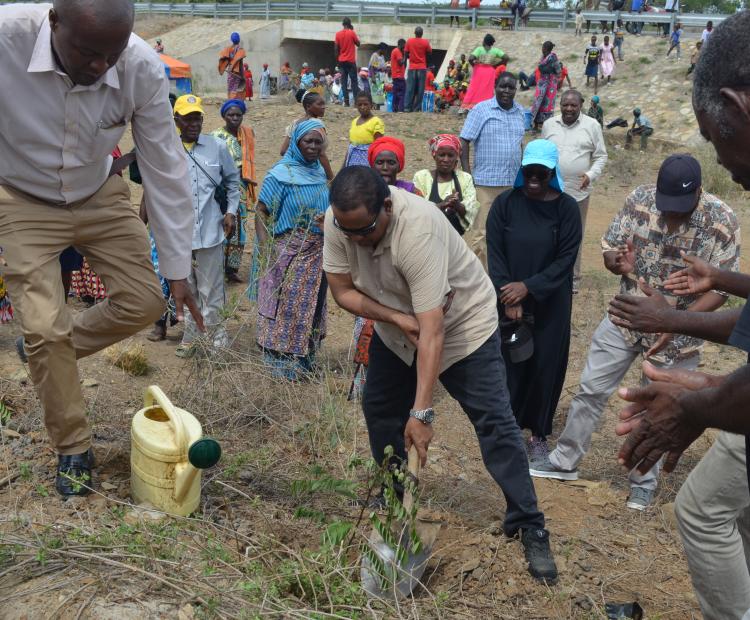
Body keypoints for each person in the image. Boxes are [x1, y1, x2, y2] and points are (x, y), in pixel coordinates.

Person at [0, 0, 203, 496]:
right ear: (53, 21)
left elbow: (165, 166)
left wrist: (178, 266)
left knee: (147, 302)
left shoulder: (138, 67)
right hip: (22, 199)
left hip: (99, 192)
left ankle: (46, 351)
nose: (100, 66)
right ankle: (73, 447)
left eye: (110, 54)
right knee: (47, 326)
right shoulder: (6, 39)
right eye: (88, 51)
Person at [323, 165, 559, 584]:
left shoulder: (419, 231)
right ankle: (396, 499)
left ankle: (529, 522)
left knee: (496, 423)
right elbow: (342, 291)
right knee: (378, 407)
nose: (355, 239)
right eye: (348, 230)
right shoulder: (340, 221)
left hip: (462, 328)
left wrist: (422, 413)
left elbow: (433, 331)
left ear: (388, 207)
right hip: (398, 324)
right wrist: (395, 317)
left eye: (365, 230)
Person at [607, 13, 750, 617]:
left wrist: (700, 404)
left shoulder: (721, 215)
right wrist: (716, 385)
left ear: (736, 107)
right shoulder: (638, 205)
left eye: (718, 142)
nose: (732, 167)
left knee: (702, 509)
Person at [529, 154, 740, 511]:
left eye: (680, 209)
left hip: (680, 332)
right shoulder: (639, 199)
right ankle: (564, 461)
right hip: (627, 314)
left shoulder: (722, 221)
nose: (671, 216)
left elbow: (721, 289)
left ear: (700, 193)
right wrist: (617, 263)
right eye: (666, 206)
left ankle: (643, 481)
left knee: (659, 407)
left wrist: (675, 322)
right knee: (591, 389)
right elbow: (611, 249)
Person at [487, 140, 582, 459]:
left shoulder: (566, 209)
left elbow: (565, 259)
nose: (535, 178)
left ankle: (539, 433)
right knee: (511, 363)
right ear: (522, 169)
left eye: (542, 173)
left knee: (545, 364)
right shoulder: (504, 204)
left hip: (551, 301)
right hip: (508, 301)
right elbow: (495, 254)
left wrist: (527, 288)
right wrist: (507, 295)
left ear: (552, 172)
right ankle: (508, 427)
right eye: (530, 171)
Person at [350, 136, 425, 400]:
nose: (384, 167)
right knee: (368, 326)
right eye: (379, 161)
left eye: (390, 162)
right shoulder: (360, 192)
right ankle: (365, 388)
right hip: (369, 269)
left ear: (399, 165)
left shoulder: (413, 194)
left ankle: (403, 388)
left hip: (402, 269)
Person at [255, 120, 329, 380]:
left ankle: (305, 361)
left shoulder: (319, 171)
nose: (312, 146)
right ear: (296, 142)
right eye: (307, 141)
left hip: (318, 253)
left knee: (313, 306)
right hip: (288, 252)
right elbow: (261, 212)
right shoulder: (280, 174)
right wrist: (267, 251)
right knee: (285, 308)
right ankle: (280, 365)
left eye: (318, 142)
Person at [173, 95, 240, 357]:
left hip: (211, 230)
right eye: (188, 118)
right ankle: (191, 336)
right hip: (179, 234)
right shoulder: (168, 149)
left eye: (197, 117)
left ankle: (217, 339)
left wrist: (231, 212)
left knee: (212, 289)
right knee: (186, 287)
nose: (194, 123)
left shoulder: (217, 146)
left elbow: (233, 182)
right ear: (176, 120)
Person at [543, 90, 607, 293]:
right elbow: (543, 153)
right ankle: (547, 274)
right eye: (565, 105)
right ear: (559, 105)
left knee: (573, 236)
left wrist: (591, 174)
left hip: (578, 193)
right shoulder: (549, 125)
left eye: (573, 105)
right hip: (550, 191)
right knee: (547, 233)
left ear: (581, 106)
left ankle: (572, 280)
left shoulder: (592, 126)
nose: (569, 109)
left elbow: (601, 156)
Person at [459, 73, 525, 268]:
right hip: (485, 184)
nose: (506, 91)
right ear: (495, 86)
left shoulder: (520, 112)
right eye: (503, 86)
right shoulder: (481, 110)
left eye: (511, 87)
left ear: (515, 90)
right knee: (482, 233)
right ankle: (480, 277)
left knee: (510, 231)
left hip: (512, 184)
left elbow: (520, 145)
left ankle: (503, 273)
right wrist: (467, 174)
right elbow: (464, 140)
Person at [211, 99, 257, 285]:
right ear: (224, 116)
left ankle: (232, 270)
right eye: (231, 115)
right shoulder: (216, 137)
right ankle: (216, 267)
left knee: (240, 230)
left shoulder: (247, 134)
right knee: (221, 225)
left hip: (241, 187)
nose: (235, 118)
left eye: (238, 115)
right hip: (222, 187)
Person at [414, 134, 480, 236]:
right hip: (427, 236)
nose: (446, 159)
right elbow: (418, 211)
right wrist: (442, 204)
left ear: (456, 159)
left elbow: (471, 211)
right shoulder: (422, 177)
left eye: (450, 155)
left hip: (456, 239)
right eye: (442, 155)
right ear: (434, 156)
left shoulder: (465, 178)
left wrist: (457, 205)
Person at [281, 90, 334, 180]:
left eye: (324, 104)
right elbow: (321, 154)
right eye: (319, 104)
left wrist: (298, 161)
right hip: (311, 171)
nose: (323, 107)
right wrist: (331, 177)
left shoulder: (295, 123)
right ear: (308, 106)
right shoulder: (317, 124)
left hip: (293, 170)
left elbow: (283, 151)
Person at [462, 34, 507, 110]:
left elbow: (470, 59)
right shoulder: (495, 50)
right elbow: (506, 57)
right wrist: (495, 65)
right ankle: (487, 107)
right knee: (487, 89)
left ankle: (469, 106)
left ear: (485, 41)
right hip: (490, 71)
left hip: (479, 70)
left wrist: (474, 66)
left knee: (474, 88)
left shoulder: (479, 49)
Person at [343, 92, 385, 167]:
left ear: (371, 105)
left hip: (367, 160)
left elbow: (378, 146)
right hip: (352, 159)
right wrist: (344, 165)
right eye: (360, 105)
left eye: (365, 104)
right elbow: (351, 145)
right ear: (356, 106)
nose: (362, 107)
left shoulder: (376, 122)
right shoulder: (354, 121)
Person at [529, 41, 562, 130]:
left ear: (547, 48)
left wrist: (556, 80)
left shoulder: (553, 58)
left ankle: (545, 126)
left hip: (550, 84)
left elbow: (558, 71)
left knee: (547, 105)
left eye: (543, 47)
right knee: (537, 102)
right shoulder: (543, 57)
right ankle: (534, 124)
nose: (542, 49)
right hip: (542, 83)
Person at [404, 27, 432, 113]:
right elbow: (429, 52)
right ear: (422, 33)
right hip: (422, 67)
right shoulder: (425, 42)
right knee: (420, 89)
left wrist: (407, 60)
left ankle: (407, 108)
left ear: (414, 33)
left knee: (410, 88)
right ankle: (416, 108)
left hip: (412, 67)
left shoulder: (409, 41)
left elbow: (405, 52)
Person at [335, 17, 360, 107]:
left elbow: (336, 48)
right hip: (350, 61)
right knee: (354, 82)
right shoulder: (351, 32)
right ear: (349, 24)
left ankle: (346, 102)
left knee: (344, 82)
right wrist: (352, 31)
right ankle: (356, 103)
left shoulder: (338, 34)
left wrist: (338, 60)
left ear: (343, 24)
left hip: (342, 61)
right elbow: (358, 44)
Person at [218, 32, 246, 100]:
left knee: (230, 88)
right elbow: (240, 64)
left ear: (231, 40)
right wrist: (242, 76)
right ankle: (237, 103)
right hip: (237, 73)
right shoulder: (240, 50)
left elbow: (225, 61)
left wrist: (225, 67)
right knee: (237, 89)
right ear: (239, 40)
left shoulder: (228, 49)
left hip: (230, 74)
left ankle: (231, 101)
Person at [390, 39, 407, 113]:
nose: (404, 48)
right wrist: (405, 55)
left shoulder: (395, 51)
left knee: (396, 93)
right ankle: (400, 109)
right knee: (402, 93)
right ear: (401, 44)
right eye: (404, 46)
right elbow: (400, 62)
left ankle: (395, 109)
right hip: (399, 76)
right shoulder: (397, 51)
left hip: (395, 76)